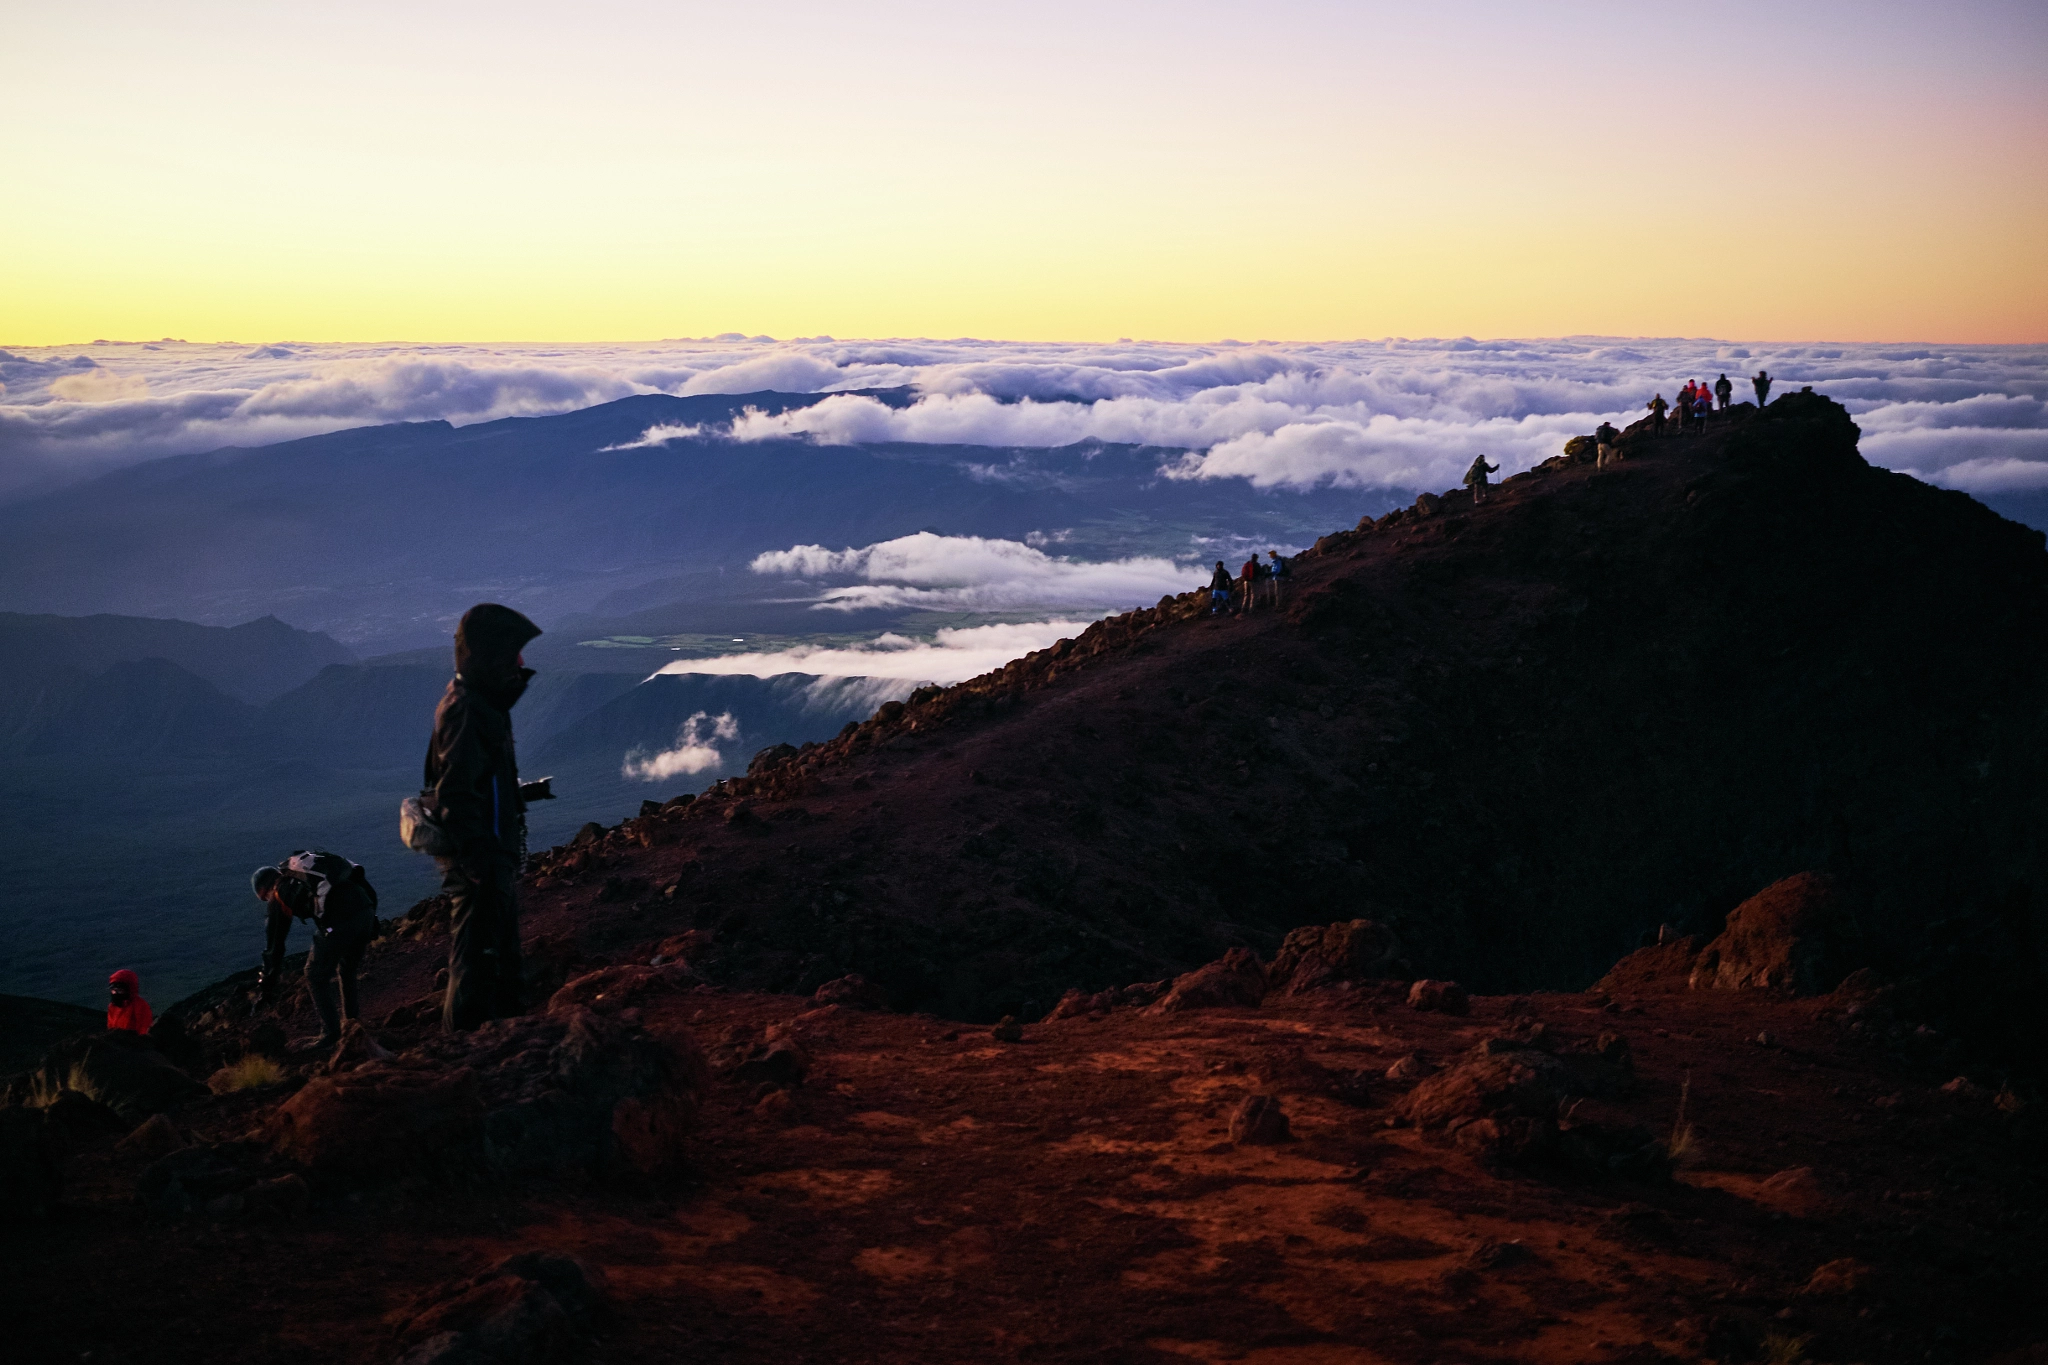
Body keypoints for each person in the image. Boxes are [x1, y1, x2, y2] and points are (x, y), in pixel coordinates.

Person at [426, 604, 552, 1031]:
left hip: (490, 856)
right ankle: (460, 1061)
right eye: (512, 653)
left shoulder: (482, 704)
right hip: (480, 863)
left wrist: (518, 799)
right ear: (488, 655)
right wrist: (481, 863)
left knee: (499, 962)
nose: (520, 662)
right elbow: (455, 795)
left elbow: (477, 784)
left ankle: (503, 1052)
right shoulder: (467, 709)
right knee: (476, 965)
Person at [251, 850, 379, 1047]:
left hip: (340, 921)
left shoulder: (280, 892)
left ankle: (330, 1034)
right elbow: (357, 881)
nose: (267, 902)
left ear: (264, 890)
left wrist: (267, 984)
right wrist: (372, 920)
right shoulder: (307, 872)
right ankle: (353, 1023)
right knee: (347, 968)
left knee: (314, 974)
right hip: (366, 910)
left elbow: (275, 946)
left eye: (264, 899)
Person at [107, 968, 152, 1035]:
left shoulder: (140, 1006)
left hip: (133, 1043)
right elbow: (110, 1027)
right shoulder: (113, 1006)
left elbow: (144, 1029)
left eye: (119, 990)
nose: (116, 993)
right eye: (113, 990)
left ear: (129, 989)